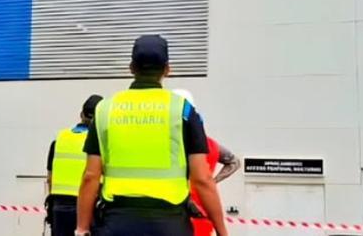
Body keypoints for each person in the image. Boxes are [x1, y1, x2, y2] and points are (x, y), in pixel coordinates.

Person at [75, 35, 229, 236]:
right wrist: (222, 231)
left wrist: (82, 229)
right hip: (170, 224)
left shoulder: (105, 109)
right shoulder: (182, 110)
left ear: (131, 68)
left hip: (118, 223)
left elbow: (91, 176)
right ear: (167, 69)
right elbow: (202, 179)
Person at [172, 90, 239, 236]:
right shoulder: (211, 145)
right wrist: (213, 182)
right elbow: (234, 162)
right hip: (204, 215)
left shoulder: (172, 148)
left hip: (176, 219)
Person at [47, 94, 104, 236]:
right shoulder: (100, 142)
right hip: (89, 207)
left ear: (81, 114)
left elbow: (50, 178)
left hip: (59, 207)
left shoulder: (60, 139)